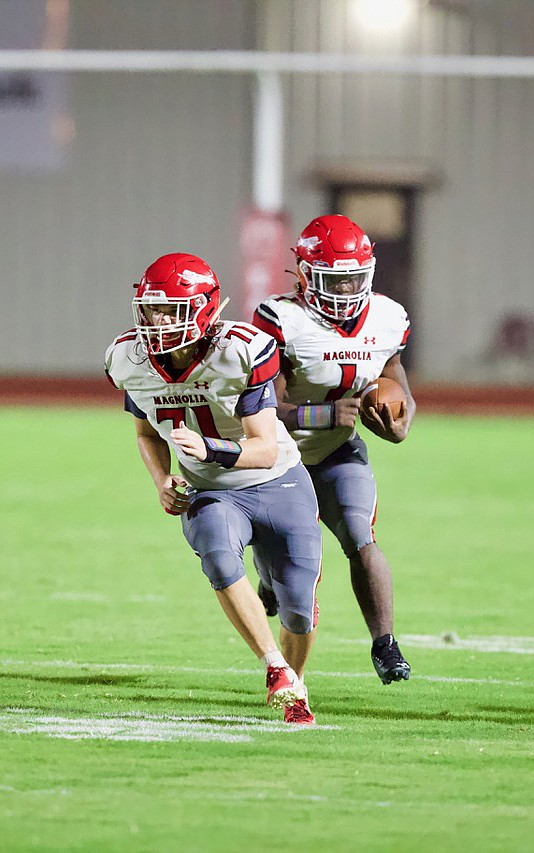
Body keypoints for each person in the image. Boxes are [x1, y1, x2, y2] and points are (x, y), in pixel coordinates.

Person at [105, 252, 322, 724]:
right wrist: (162, 480)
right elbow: (145, 433)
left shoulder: (241, 349)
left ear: (204, 308)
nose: (159, 322)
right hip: (210, 491)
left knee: (299, 607)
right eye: (152, 310)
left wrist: (206, 447)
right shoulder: (128, 358)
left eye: (173, 310)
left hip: (278, 480)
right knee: (218, 553)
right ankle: (276, 669)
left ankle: (295, 678)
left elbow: (264, 448)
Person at [252, 214, 416, 685]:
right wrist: (322, 414)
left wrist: (401, 423)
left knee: (360, 536)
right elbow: (263, 406)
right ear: (304, 275)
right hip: (277, 458)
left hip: (338, 452)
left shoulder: (388, 317)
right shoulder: (279, 318)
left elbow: (397, 381)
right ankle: (270, 579)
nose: (345, 292)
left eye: (352, 280)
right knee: (290, 562)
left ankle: (385, 644)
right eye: (333, 281)